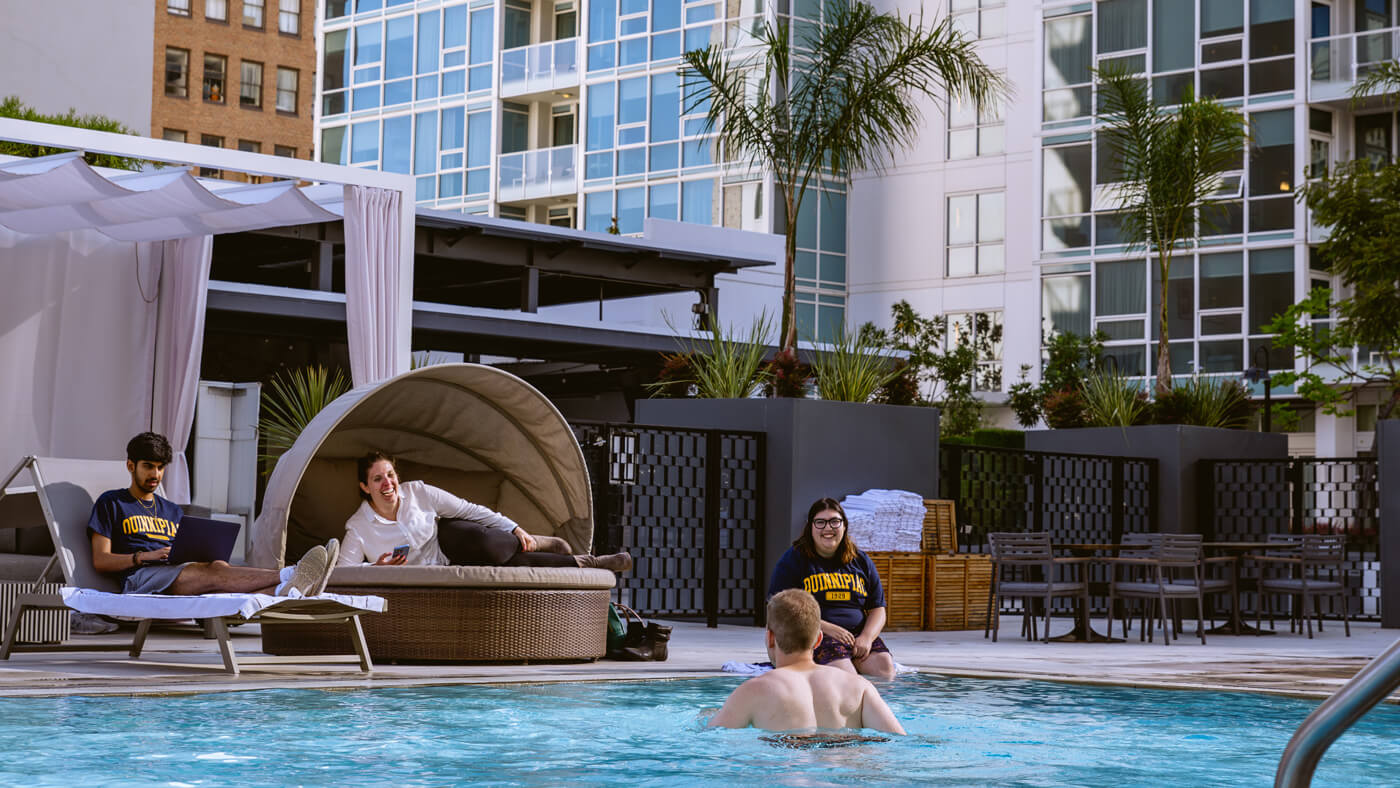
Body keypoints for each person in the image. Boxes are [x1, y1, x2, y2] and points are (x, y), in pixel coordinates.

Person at [89, 432, 334, 596]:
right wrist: (143, 557)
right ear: (131, 466)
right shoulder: (112, 503)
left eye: (160, 467)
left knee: (218, 569)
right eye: (148, 466)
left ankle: (291, 591)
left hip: (178, 570)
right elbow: (101, 561)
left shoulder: (172, 509)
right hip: (140, 579)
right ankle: (290, 573)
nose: (155, 474)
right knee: (214, 573)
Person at [338, 451, 633, 572]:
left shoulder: (418, 492)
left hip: (450, 540)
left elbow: (470, 510)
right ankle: (588, 562)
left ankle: (531, 539)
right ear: (365, 487)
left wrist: (515, 528)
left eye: (390, 475)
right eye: (377, 479)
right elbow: (342, 573)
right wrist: (375, 567)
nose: (387, 483)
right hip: (441, 569)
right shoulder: (359, 527)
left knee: (489, 546)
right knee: (513, 564)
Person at [709, 589, 904, 734]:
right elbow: (897, 738)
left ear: (770, 638)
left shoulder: (752, 691)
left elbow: (713, 737)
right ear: (819, 639)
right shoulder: (860, 687)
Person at [767, 497, 896, 680]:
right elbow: (779, 608)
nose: (828, 528)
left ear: (844, 525)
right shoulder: (794, 559)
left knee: (885, 670)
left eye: (835, 521)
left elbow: (878, 608)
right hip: (815, 634)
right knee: (845, 676)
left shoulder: (860, 560)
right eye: (820, 522)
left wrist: (866, 637)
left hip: (857, 636)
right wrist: (827, 628)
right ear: (810, 527)